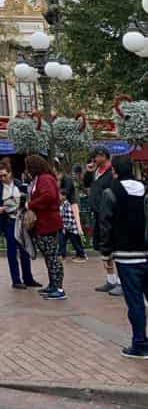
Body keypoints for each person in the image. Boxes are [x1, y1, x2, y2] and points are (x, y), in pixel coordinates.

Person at [96, 154, 148, 358]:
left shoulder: (111, 193)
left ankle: (140, 343)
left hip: (126, 255)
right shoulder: (144, 190)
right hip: (145, 252)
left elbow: (105, 224)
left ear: (115, 172)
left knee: (134, 301)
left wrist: (106, 252)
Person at [0, 159, 40, 290]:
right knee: (11, 252)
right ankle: (16, 280)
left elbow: (29, 199)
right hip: (8, 222)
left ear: (10, 173)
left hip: (21, 221)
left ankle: (28, 278)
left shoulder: (19, 185)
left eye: (5, 175)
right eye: (1, 176)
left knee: (25, 250)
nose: (3, 178)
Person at [24, 153, 65, 299]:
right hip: (44, 223)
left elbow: (49, 196)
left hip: (47, 222)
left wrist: (31, 204)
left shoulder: (45, 179)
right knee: (49, 256)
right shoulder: (41, 178)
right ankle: (53, 284)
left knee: (52, 256)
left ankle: (58, 288)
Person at [85, 146, 121, 295]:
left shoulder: (112, 173)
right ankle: (110, 279)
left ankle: (120, 281)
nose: (95, 159)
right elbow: (87, 184)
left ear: (104, 156)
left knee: (113, 247)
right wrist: (89, 171)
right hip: (97, 214)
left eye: (97, 156)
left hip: (109, 215)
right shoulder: (96, 172)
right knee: (104, 248)